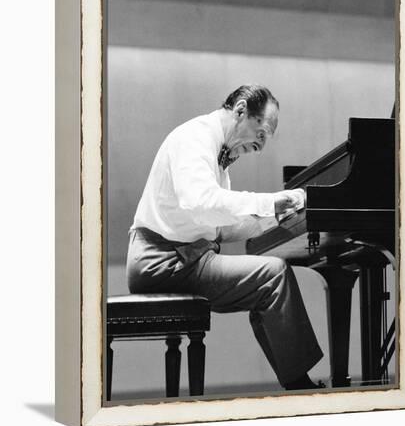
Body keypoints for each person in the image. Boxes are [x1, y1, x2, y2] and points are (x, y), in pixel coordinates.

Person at [126, 84, 324, 390]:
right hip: (163, 262)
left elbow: (218, 227)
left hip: (183, 258)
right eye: (261, 134)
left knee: (268, 279)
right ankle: (299, 385)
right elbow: (202, 202)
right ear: (241, 110)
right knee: (273, 274)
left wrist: (278, 217)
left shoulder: (215, 152)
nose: (261, 147)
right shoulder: (194, 138)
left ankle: (296, 382)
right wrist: (267, 202)